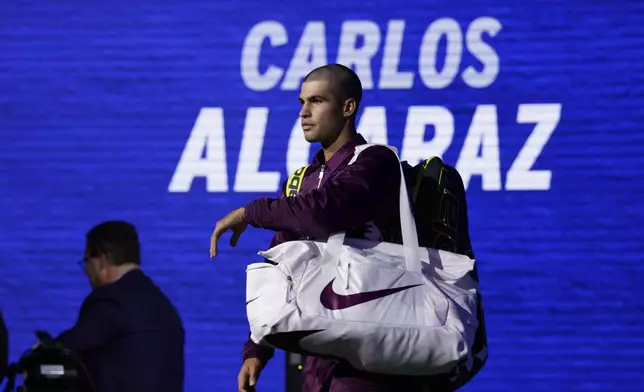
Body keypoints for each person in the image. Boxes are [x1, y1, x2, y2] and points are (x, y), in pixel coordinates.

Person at [210, 64, 427, 392]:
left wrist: (249, 212)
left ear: (348, 107)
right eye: (301, 102)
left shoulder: (376, 163)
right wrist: (256, 350)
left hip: (371, 364)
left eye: (317, 101)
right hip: (314, 363)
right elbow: (282, 271)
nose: (304, 112)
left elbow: (324, 212)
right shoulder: (300, 182)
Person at [56, 220, 185, 392]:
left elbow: (67, 349)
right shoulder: (163, 306)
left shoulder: (110, 301)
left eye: (86, 261)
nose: (86, 271)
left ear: (102, 261)